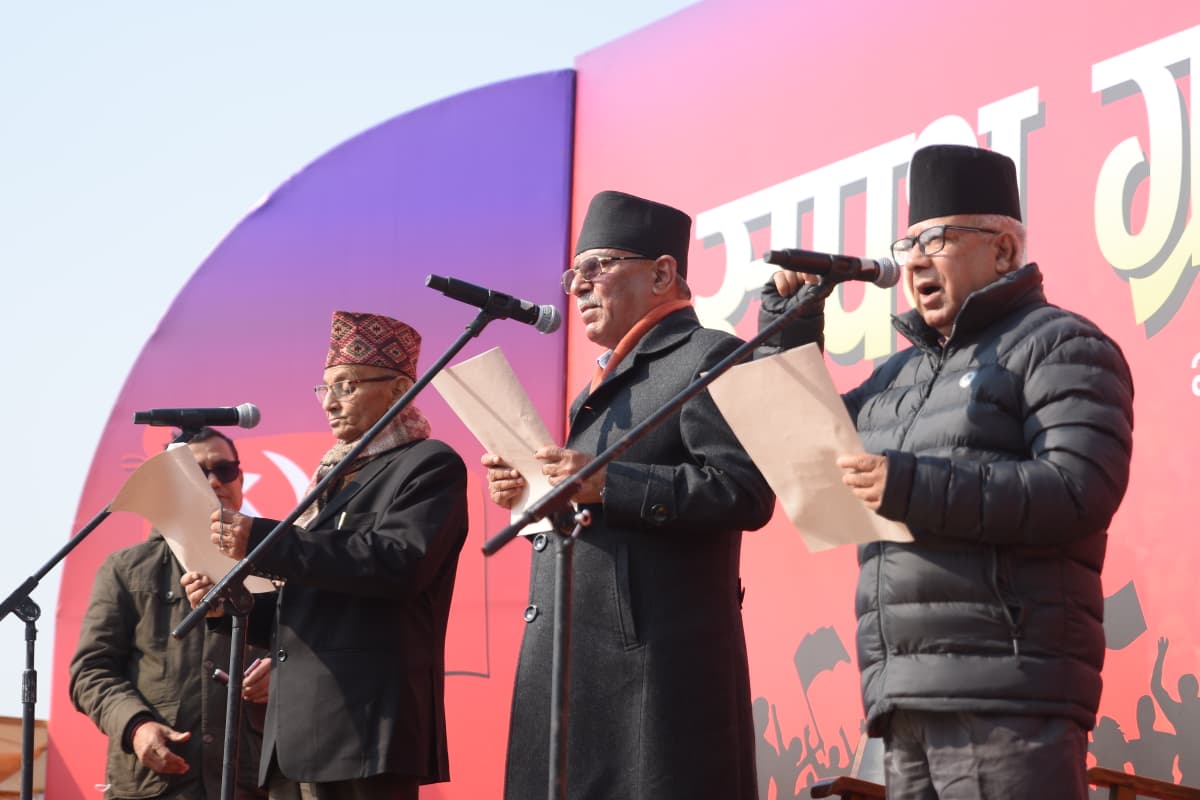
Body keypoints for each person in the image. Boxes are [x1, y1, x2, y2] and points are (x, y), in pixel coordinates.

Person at [758, 143, 1135, 799]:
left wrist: (910, 486)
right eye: (908, 245)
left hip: (1008, 695)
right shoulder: (897, 376)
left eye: (936, 240)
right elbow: (803, 452)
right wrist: (790, 323)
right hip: (900, 698)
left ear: (1004, 251)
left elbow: (1078, 491)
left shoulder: (1061, 344)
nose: (914, 263)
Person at [483, 190, 776, 799]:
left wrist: (604, 482)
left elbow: (745, 491)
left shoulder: (707, 357)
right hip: (577, 664)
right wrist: (536, 492)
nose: (579, 287)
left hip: (652, 673)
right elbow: (593, 505)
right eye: (573, 275)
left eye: (597, 267)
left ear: (662, 274)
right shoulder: (599, 386)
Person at [183, 311, 468, 800]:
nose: (330, 403)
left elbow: (396, 563)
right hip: (293, 734)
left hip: (364, 727)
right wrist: (227, 604)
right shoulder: (331, 477)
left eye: (347, 386)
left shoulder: (428, 464)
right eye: (325, 389)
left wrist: (264, 541)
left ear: (399, 389)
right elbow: (310, 600)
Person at [70, 427, 270, 800]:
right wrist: (136, 726)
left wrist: (281, 675)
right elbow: (90, 672)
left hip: (252, 783)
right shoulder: (126, 569)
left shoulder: (278, 564)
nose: (215, 481)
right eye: (198, 473)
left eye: (224, 470)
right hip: (154, 785)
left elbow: (313, 657)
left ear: (241, 479)